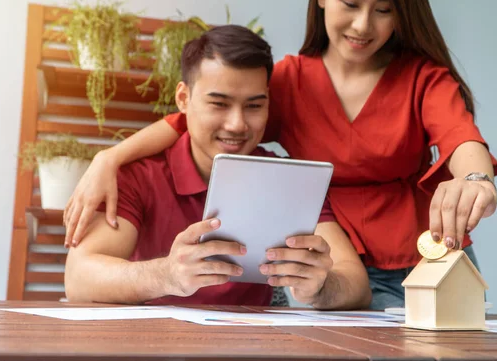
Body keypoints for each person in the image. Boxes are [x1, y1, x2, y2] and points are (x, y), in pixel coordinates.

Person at [63, 0, 497, 310]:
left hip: (421, 259)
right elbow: (195, 121)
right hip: (328, 262)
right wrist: (111, 156)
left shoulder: (422, 79)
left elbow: (461, 137)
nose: (363, 24)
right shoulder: (289, 81)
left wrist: (476, 178)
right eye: (350, 2)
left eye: (384, 10)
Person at [64, 25, 371, 309]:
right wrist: (167, 274)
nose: (237, 125)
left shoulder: (289, 179)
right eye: (219, 104)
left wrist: (321, 286)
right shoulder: (138, 175)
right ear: (184, 98)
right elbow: (79, 277)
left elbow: (356, 285)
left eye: (254, 105)